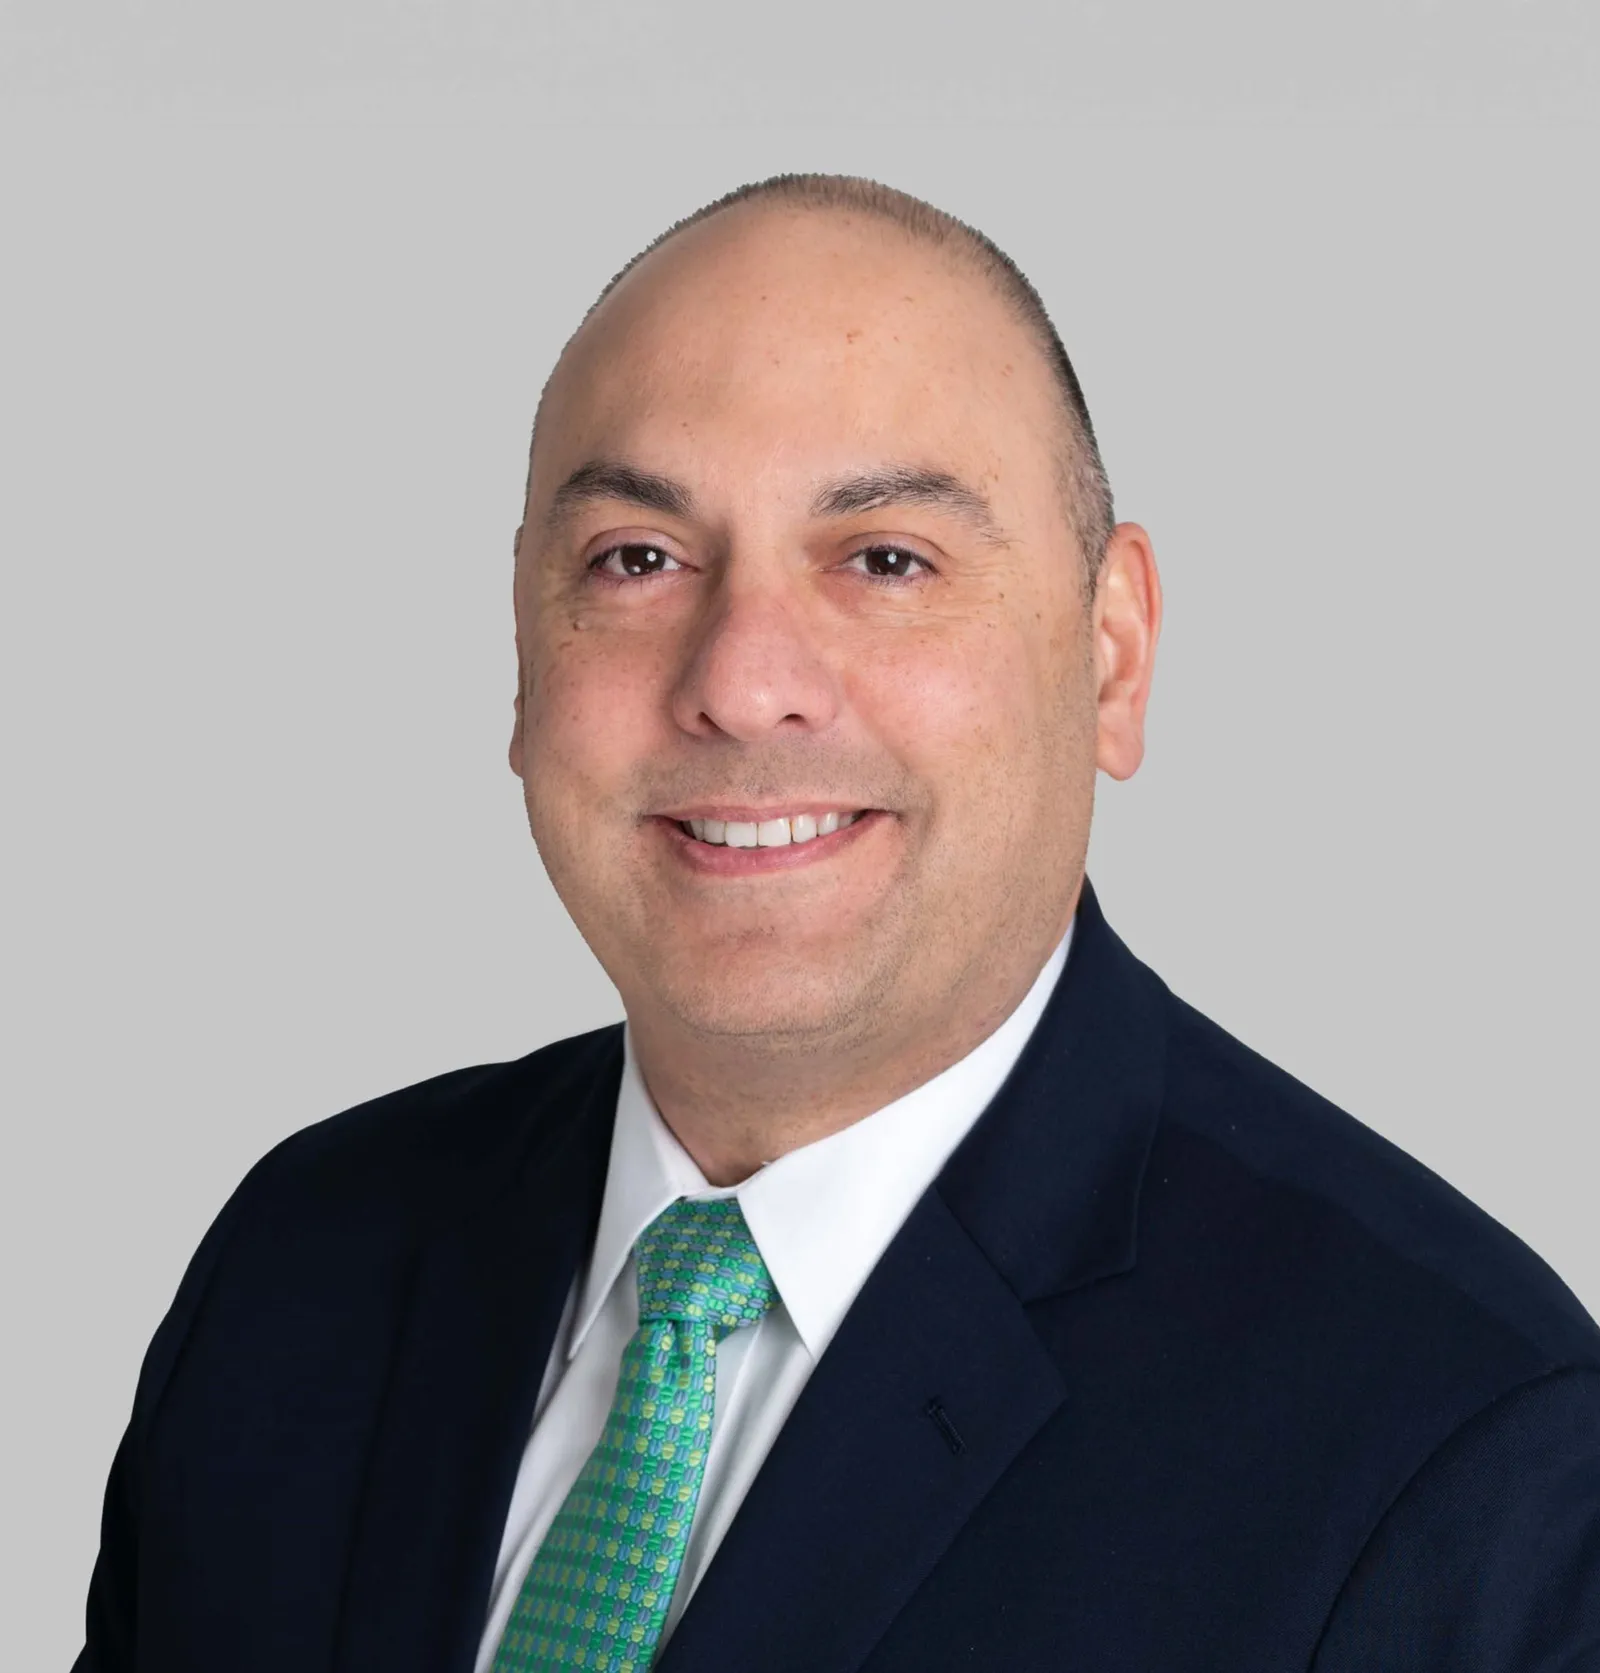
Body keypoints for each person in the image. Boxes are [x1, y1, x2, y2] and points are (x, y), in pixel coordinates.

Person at [74, 173, 1600, 1673]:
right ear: (526, 663)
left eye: (884, 560)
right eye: (638, 560)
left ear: (1114, 655)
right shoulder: (301, 1265)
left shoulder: (1463, 1453)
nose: (742, 678)